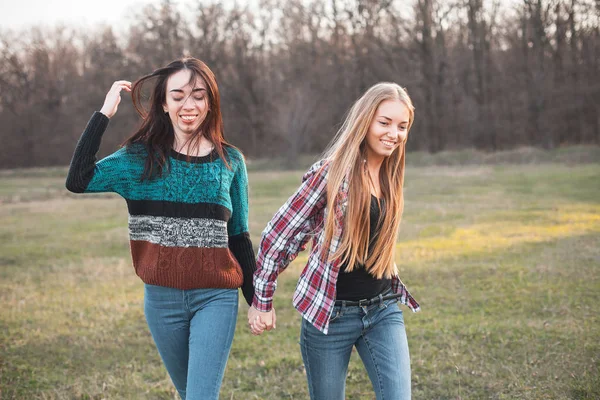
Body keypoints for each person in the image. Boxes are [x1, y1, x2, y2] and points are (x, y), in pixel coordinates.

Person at [66, 57, 256, 400]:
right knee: (188, 392)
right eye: (178, 95)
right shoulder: (138, 159)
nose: (189, 104)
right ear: (164, 104)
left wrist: (258, 301)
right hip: (161, 300)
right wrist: (103, 114)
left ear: (210, 103)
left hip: (215, 296)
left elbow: (239, 236)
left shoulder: (230, 161)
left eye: (198, 95)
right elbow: (78, 179)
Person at [248, 82, 421, 400]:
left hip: (382, 309)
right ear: (365, 121)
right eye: (384, 122)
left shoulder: (390, 176)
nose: (393, 133)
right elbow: (279, 234)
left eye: (402, 126)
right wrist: (262, 300)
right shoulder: (332, 174)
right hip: (331, 314)